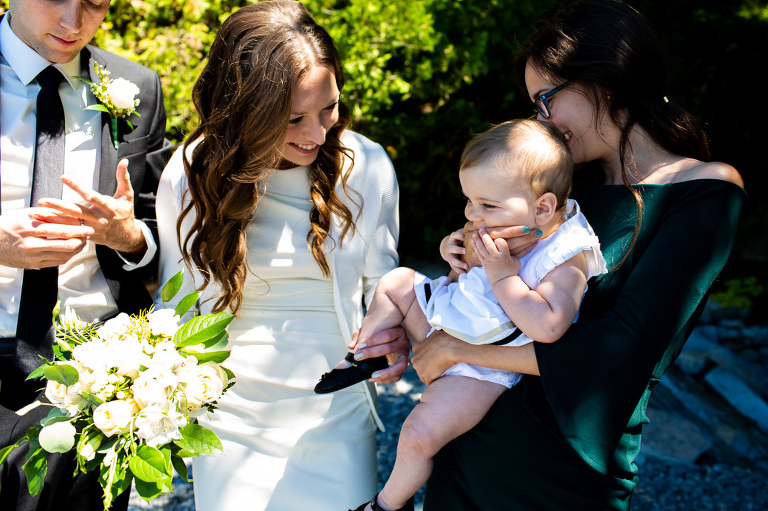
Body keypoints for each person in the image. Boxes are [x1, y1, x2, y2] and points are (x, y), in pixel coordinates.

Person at [406, 1, 745, 509]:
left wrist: (459, 350)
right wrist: (461, 252)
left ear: (604, 82)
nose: (540, 119)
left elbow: (622, 348)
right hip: (465, 448)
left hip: (559, 476)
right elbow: (491, 284)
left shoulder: (704, 192)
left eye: (546, 99)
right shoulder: (558, 194)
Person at [154, 2, 409, 510]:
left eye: (329, 108)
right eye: (293, 118)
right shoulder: (191, 172)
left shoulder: (365, 165)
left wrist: (394, 334)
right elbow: (175, 303)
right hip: (227, 412)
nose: (317, 133)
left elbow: (384, 285)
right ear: (246, 108)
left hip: (334, 410)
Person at [316, 119, 607, 511]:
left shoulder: (566, 254)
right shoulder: (501, 221)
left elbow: (550, 327)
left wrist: (504, 275)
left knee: (418, 433)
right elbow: (462, 277)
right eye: (469, 200)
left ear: (543, 207)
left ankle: (386, 505)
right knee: (396, 281)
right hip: (451, 318)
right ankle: (364, 354)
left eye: (487, 205)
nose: (473, 214)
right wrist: (453, 255)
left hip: (482, 365)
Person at [0, 1, 172, 510]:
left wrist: (128, 238)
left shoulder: (136, 86)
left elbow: (162, 233)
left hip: (93, 382)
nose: (74, 23)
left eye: (95, 3)